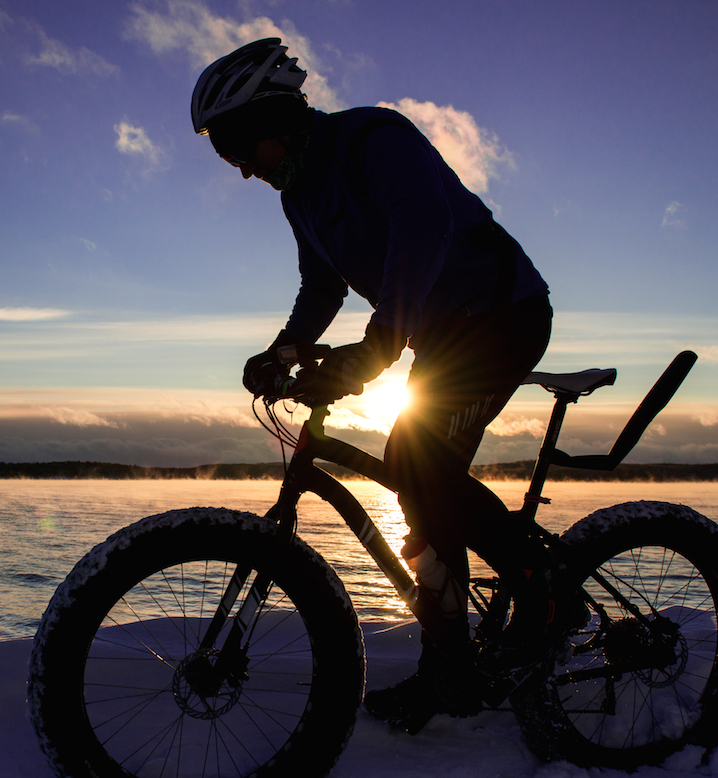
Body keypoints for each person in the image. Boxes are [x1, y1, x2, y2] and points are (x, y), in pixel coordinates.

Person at [193, 38, 555, 734]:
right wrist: (284, 350)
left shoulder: (371, 137)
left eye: (239, 145)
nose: (240, 169)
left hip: (501, 314)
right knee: (418, 473)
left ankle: (543, 599)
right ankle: (450, 664)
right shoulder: (298, 196)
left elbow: (424, 225)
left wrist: (380, 343)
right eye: (224, 155)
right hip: (441, 335)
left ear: (279, 114)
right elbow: (322, 285)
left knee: (417, 462)